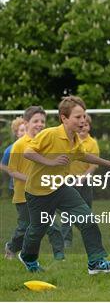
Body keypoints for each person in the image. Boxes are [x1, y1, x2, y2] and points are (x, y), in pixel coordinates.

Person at [19, 96, 110, 274]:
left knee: (87, 218)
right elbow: (28, 152)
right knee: (38, 230)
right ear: (64, 118)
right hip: (38, 193)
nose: (82, 120)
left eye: (84, 116)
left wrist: (108, 163)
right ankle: (27, 257)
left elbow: (83, 155)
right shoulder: (50, 134)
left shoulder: (75, 139)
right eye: (77, 117)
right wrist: (50, 162)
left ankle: (96, 263)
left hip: (61, 188)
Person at [4, 107, 64, 261]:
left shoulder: (45, 142)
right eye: (35, 121)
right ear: (26, 123)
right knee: (25, 228)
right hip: (23, 196)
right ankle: (11, 247)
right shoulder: (19, 146)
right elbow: (12, 171)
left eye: (42, 121)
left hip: (44, 194)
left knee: (52, 226)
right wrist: (30, 179)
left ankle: (60, 257)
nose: (40, 124)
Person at [61, 114, 99, 248]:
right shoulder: (70, 140)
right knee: (67, 212)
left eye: (86, 124)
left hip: (85, 181)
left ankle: (88, 236)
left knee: (86, 211)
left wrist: (83, 178)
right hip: (69, 180)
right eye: (80, 124)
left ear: (89, 127)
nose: (83, 127)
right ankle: (66, 240)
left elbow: (93, 164)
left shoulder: (92, 143)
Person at [1, 117, 26, 199]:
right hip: (17, 186)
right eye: (22, 130)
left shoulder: (35, 146)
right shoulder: (11, 149)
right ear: (17, 133)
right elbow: (2, 165)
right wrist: (15, 172)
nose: (25, 132)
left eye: (26, 129)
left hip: (33, 184)